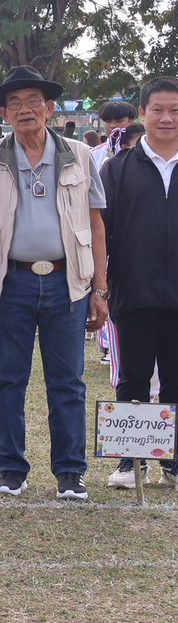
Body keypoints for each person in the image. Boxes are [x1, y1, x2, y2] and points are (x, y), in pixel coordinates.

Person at [0, 65, 108, 500]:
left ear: (50, 108)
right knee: (7, 381)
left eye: (34, 100)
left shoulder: (80, 154)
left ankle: (71, 471)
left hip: (66, 282)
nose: (25, 109)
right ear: (3, 113)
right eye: (14, 103)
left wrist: (100, 288)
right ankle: (11, 469)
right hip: (9, 283)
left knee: (68, 382)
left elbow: (96, 225)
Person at [98, 76, 178, 486]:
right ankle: (131, 461)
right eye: (158, 110)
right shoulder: (117, 169)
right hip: (132, 292)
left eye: (175, 111)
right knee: (133, 377)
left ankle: (172, 462)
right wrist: (100, 287)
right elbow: (101, 233)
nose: (167, 118)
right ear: (142, 114)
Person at [91, 99, 139, 172]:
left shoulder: (142, 151)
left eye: (119, 121)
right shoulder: (94, 154)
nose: (113, 125)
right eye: (108, 121)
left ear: (131, 122)